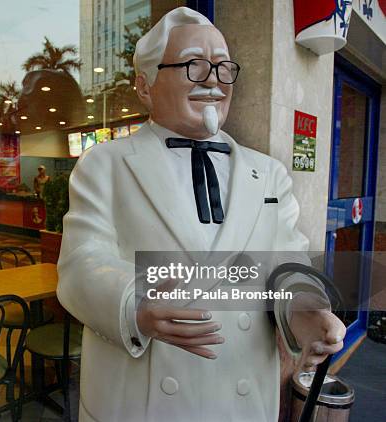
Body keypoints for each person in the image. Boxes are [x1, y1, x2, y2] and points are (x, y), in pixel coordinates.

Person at [56, 7, 345, 422]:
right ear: (144, 85)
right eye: (193, 65)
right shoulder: (105, 165)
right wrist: (133, 302)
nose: (213, 80)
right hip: (140, 399)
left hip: (242, 390)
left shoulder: (268, 173)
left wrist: (304, 311)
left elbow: (285, 261)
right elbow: (82, 262)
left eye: (223, 68)